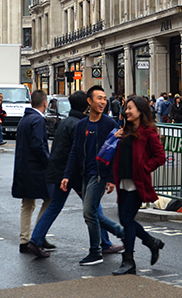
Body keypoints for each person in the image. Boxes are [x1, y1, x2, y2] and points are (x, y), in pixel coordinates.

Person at [27, 91, 123, 259]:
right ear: (87, 104)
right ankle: (106, 242)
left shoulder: (67, 122)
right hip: (72, 174)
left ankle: (35, 240)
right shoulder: (80, 124)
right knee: (93, 208)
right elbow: (78, 154)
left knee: (55, 207)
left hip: (59, 171)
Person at [61, 85, 125, 266]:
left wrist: (112, 178)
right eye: (99, 98)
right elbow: (74, 151)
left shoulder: (110, 124)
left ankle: (95, 252)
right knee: (92, 212)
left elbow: (115, 152)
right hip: (84, 175)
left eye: (104, 98)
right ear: (89, 101)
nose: (103, 102)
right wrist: (67, 175)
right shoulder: (81, 125)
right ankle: (122, 234)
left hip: (99, 175)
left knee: (89, 211)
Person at [108, 96, 167, 275]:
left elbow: (160, 157)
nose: (126, 111)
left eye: (130, 108)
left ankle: (129, 261)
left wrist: (144, 168)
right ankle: (151, 242)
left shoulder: (149, 131)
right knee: (127, 220)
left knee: (126, 220)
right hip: (123, 181)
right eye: (126, 108)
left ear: (140, 110)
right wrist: (115, 137)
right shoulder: (124, 130)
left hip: (137, 183)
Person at [13, 89, 51, 254]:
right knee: (50, 199)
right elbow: (38, 145)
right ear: (45, 103)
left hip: (23, 169)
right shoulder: (38, 120)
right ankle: (37, 236)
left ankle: (25, 240)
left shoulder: (25, 119)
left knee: (27, 205)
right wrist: (49, 163)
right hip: (36, 170)